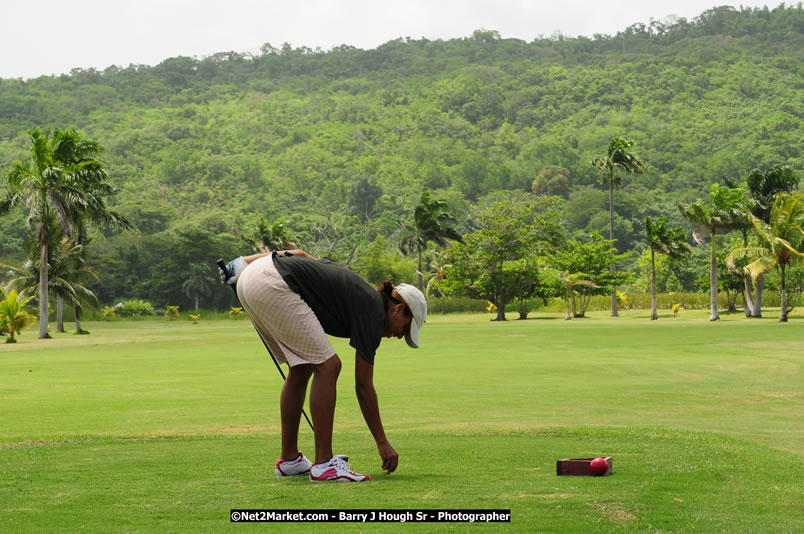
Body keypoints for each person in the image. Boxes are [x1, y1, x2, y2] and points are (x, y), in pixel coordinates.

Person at [222, 249, 427, 482]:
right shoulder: (373, 311)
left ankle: (289, 460)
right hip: (272, 281)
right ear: (398, 308)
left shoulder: (360, 292)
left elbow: (299, 253)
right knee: (329, 366)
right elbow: (363, 387)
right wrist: (382, 442)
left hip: (251, 277)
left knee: (302, 367)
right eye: (406, 328)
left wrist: (242, 263)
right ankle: (325, 464)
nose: (401, 335)